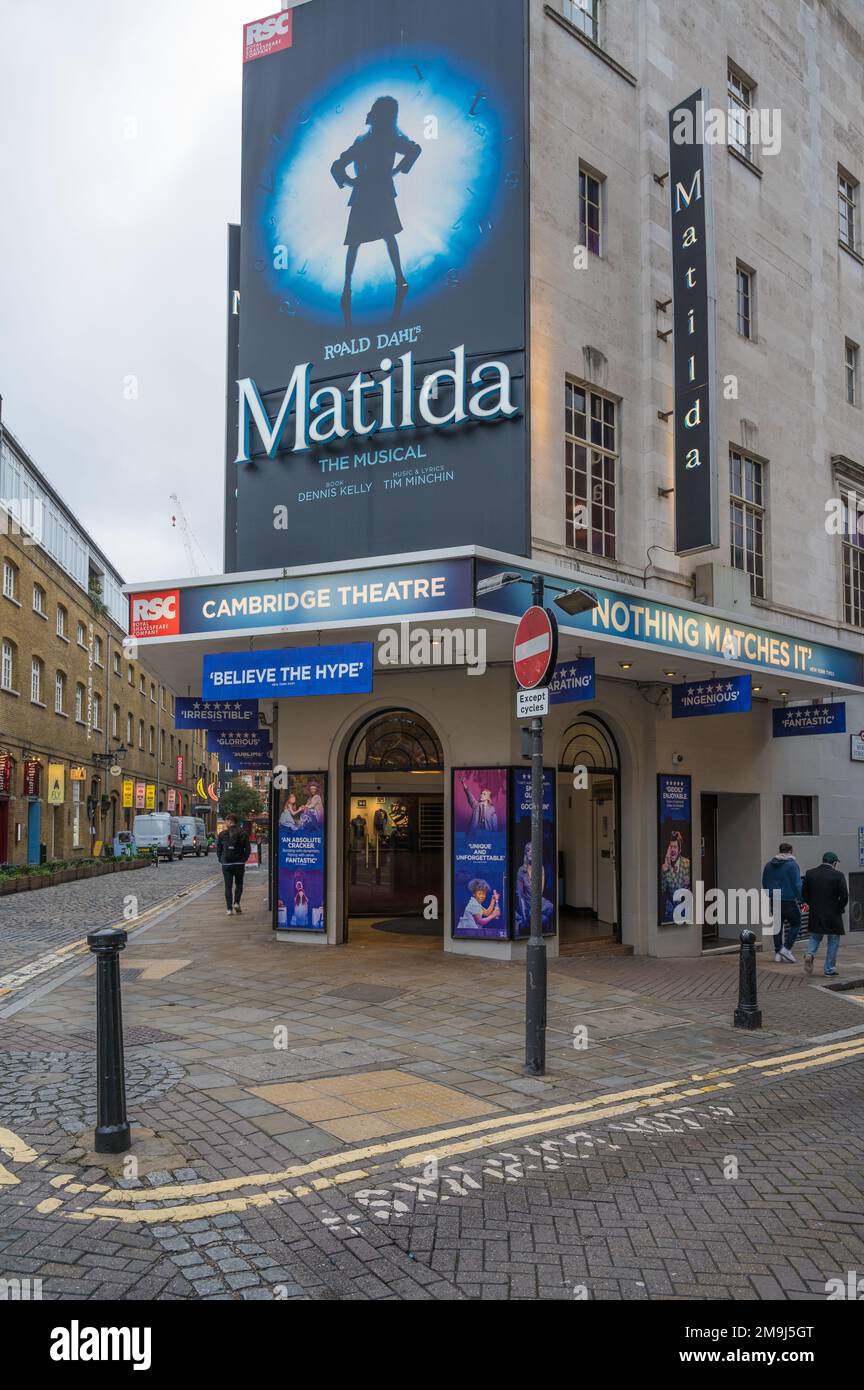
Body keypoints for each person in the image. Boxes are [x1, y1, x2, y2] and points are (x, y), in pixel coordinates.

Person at [331, 95, 421, 326]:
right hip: (371, 193)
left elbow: (414, 150)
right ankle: (354, 285)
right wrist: (351, 182)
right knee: (370, 239)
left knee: (374, 238)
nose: (369, 113)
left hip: (374, 193)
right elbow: (337, 165)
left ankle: (392, 279)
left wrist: (393, 172)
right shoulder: (369, 140)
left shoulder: (383, 139)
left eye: (374, 110)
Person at [802, 851, 848, 977]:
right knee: (833, 940)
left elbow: (804, 894)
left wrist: (812, 904)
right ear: (834, 863)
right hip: (833, 913)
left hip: (816, 912)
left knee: (815, 936)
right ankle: (829, 969)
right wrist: (839, 908)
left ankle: (809, 954)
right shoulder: (838, 875)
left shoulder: (810, 873)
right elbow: (844, 896)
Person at [762, 842, 802, 962]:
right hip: (788, 899)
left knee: (777, 927)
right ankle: (787, 948)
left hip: (774, 899)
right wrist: (802, 899)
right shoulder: (792, 865)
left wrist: (770, 895)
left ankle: (778, 952)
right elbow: (797, 884)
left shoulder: (768, 865)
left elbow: (764, 882)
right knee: (796, 923)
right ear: (790, 851)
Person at [216, 814, 251, 916]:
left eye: (226, 821)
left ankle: (229, 909)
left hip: (227, 864)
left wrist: (221, 859)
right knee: (239, 884)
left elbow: (219, 849)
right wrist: (244, 859)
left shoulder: (222, 834)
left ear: (230, 821)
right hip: (239, 863)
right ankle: (236, 903)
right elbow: (248, 849)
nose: (225, 823)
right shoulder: (243, 833)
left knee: (228, 886)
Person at [660, 830, 691, 921]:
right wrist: (665, 870)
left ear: (679, 850)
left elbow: (680, 891)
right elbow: (662, 890)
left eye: (675, 847)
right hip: (669, 915)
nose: (672, 850)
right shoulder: (664, 867)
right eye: (671, 847)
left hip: (684, 912)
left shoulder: (687, 864)